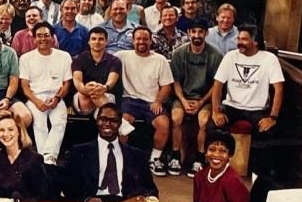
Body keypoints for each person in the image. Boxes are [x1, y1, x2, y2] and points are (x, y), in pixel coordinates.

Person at [62, 103, 158, 202]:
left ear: (120, 123)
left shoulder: (137, 155)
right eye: (103, 119)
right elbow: (68, 186)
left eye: (113, 121)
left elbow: (151, 189)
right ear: (97, 121)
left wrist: (145, 200)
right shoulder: (79, 151)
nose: (107, 124)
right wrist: (86, 199)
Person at [211, 23, 284, 143]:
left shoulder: (269, 59)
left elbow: (279, 89)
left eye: (244, 39)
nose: (239, 42)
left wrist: (272, 117)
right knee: (214, 126)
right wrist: (216, 111)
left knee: (268, 131)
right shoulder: (230, 56)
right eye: (238, 39)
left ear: (256, 42)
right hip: (231, 107)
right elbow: (217, 85)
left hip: (257, 110)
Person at [170, 17, 223, 177]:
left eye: (200, 32)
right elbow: (176, 82)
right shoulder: (179, 53)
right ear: (188, 33)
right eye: (194, 31)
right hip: (183, 97)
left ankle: (199, 159)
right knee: (176, 118)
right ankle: (175, 157)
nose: (197, 35)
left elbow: (216, 85)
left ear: (206, 33)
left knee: (203, 121)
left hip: (205, 98)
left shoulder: (215, 55)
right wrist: (183, 101)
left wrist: (201, 103)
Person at [117, 27, 175, 176]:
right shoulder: (122, 56)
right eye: (138, 39)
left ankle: (154, 159)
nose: (141, 42)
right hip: (130, 99)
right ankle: (119, 158)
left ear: (150, 41)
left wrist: (158, 101)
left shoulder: (160, 60)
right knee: (123, 124)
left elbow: (166, 86)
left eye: (145, 39)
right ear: (133, 41)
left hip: (151, 101)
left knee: (163, 123)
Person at [20, 22, 72, 165]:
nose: (43, 39)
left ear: (53, 37)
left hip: (57, 96)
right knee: (40, 124)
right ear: (34, 38)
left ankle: (49, 157)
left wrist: (57, 98)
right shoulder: (26, 58)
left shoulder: (64, 56)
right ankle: (45, 160)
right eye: (39, 36)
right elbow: (24, 86)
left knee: (59, 122)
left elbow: (67, 83)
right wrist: (37, 102)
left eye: (46, 35)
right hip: (35, 97)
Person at [0, 112, 49, 202]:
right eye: (1, 130)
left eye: (10, 129)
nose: (6, 134)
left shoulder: (34, 159)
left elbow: (42, 197)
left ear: (19, 131)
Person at [192, 131, 251, 202]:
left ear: (230, 155)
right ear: (206, 152)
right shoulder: (199, 176)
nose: (216, 154)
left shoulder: (233, 181)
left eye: (222, 151)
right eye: (212, 149)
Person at [72, 26, 122, 116]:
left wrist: (104, 88)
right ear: (88, 42)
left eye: (101, 39)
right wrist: (85, 89)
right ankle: (113, 117)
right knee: (93, 87)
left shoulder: (114, 61)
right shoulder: (80, 59)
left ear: (106, 42)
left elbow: (111, 81)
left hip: (106, 94)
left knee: (97, 91)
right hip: (83, 97)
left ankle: (104, 116)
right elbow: (77, 80)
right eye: (93, 39)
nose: (97, 42)